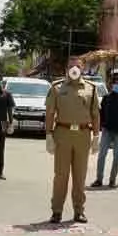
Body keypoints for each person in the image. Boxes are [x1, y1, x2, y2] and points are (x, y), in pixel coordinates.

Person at [45, 56, 100, 223]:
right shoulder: (57, 87)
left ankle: (79, 211)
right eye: (71, 66)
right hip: (63, 133)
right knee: (61, 175)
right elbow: (50, 112)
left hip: (83, 135)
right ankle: (56, 211)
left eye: (77, 66)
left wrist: (96, 135)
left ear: (82, 68)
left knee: (80, 176)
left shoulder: (91, 88)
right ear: (66, 69)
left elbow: (95, 114)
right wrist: (48, 134)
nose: (74, 68)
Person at [91, 72, 118, 189]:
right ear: (111, 85)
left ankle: (112, 180)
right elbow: (101, 113)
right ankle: (99, 179)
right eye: (115, 83)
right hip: (107, 130)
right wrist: (101, 126)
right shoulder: (107, 98)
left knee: (117, 156)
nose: (117, 85)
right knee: (102, 155)